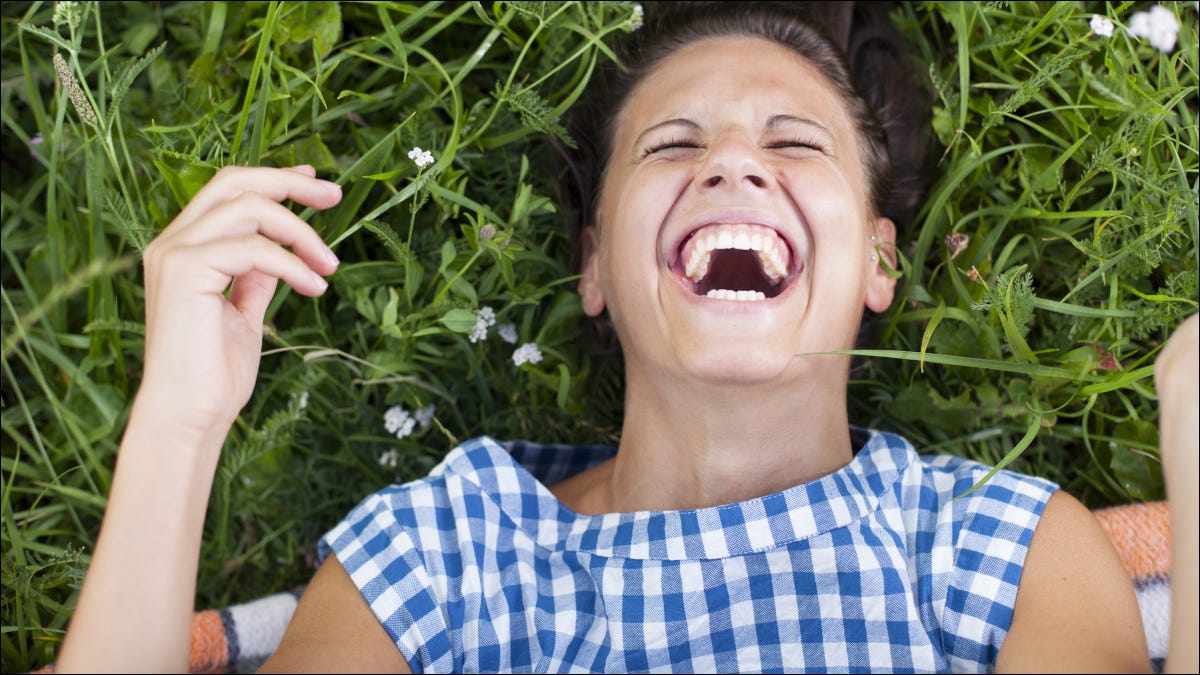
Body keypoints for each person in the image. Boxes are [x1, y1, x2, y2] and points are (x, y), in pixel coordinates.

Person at [53, 2, 1198, 673]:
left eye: (795, 145)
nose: (733, 162)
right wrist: (180, 423)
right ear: (597, 264)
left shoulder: (997, 546)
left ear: (882, 264)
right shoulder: (448, 550)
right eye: (671, 146)